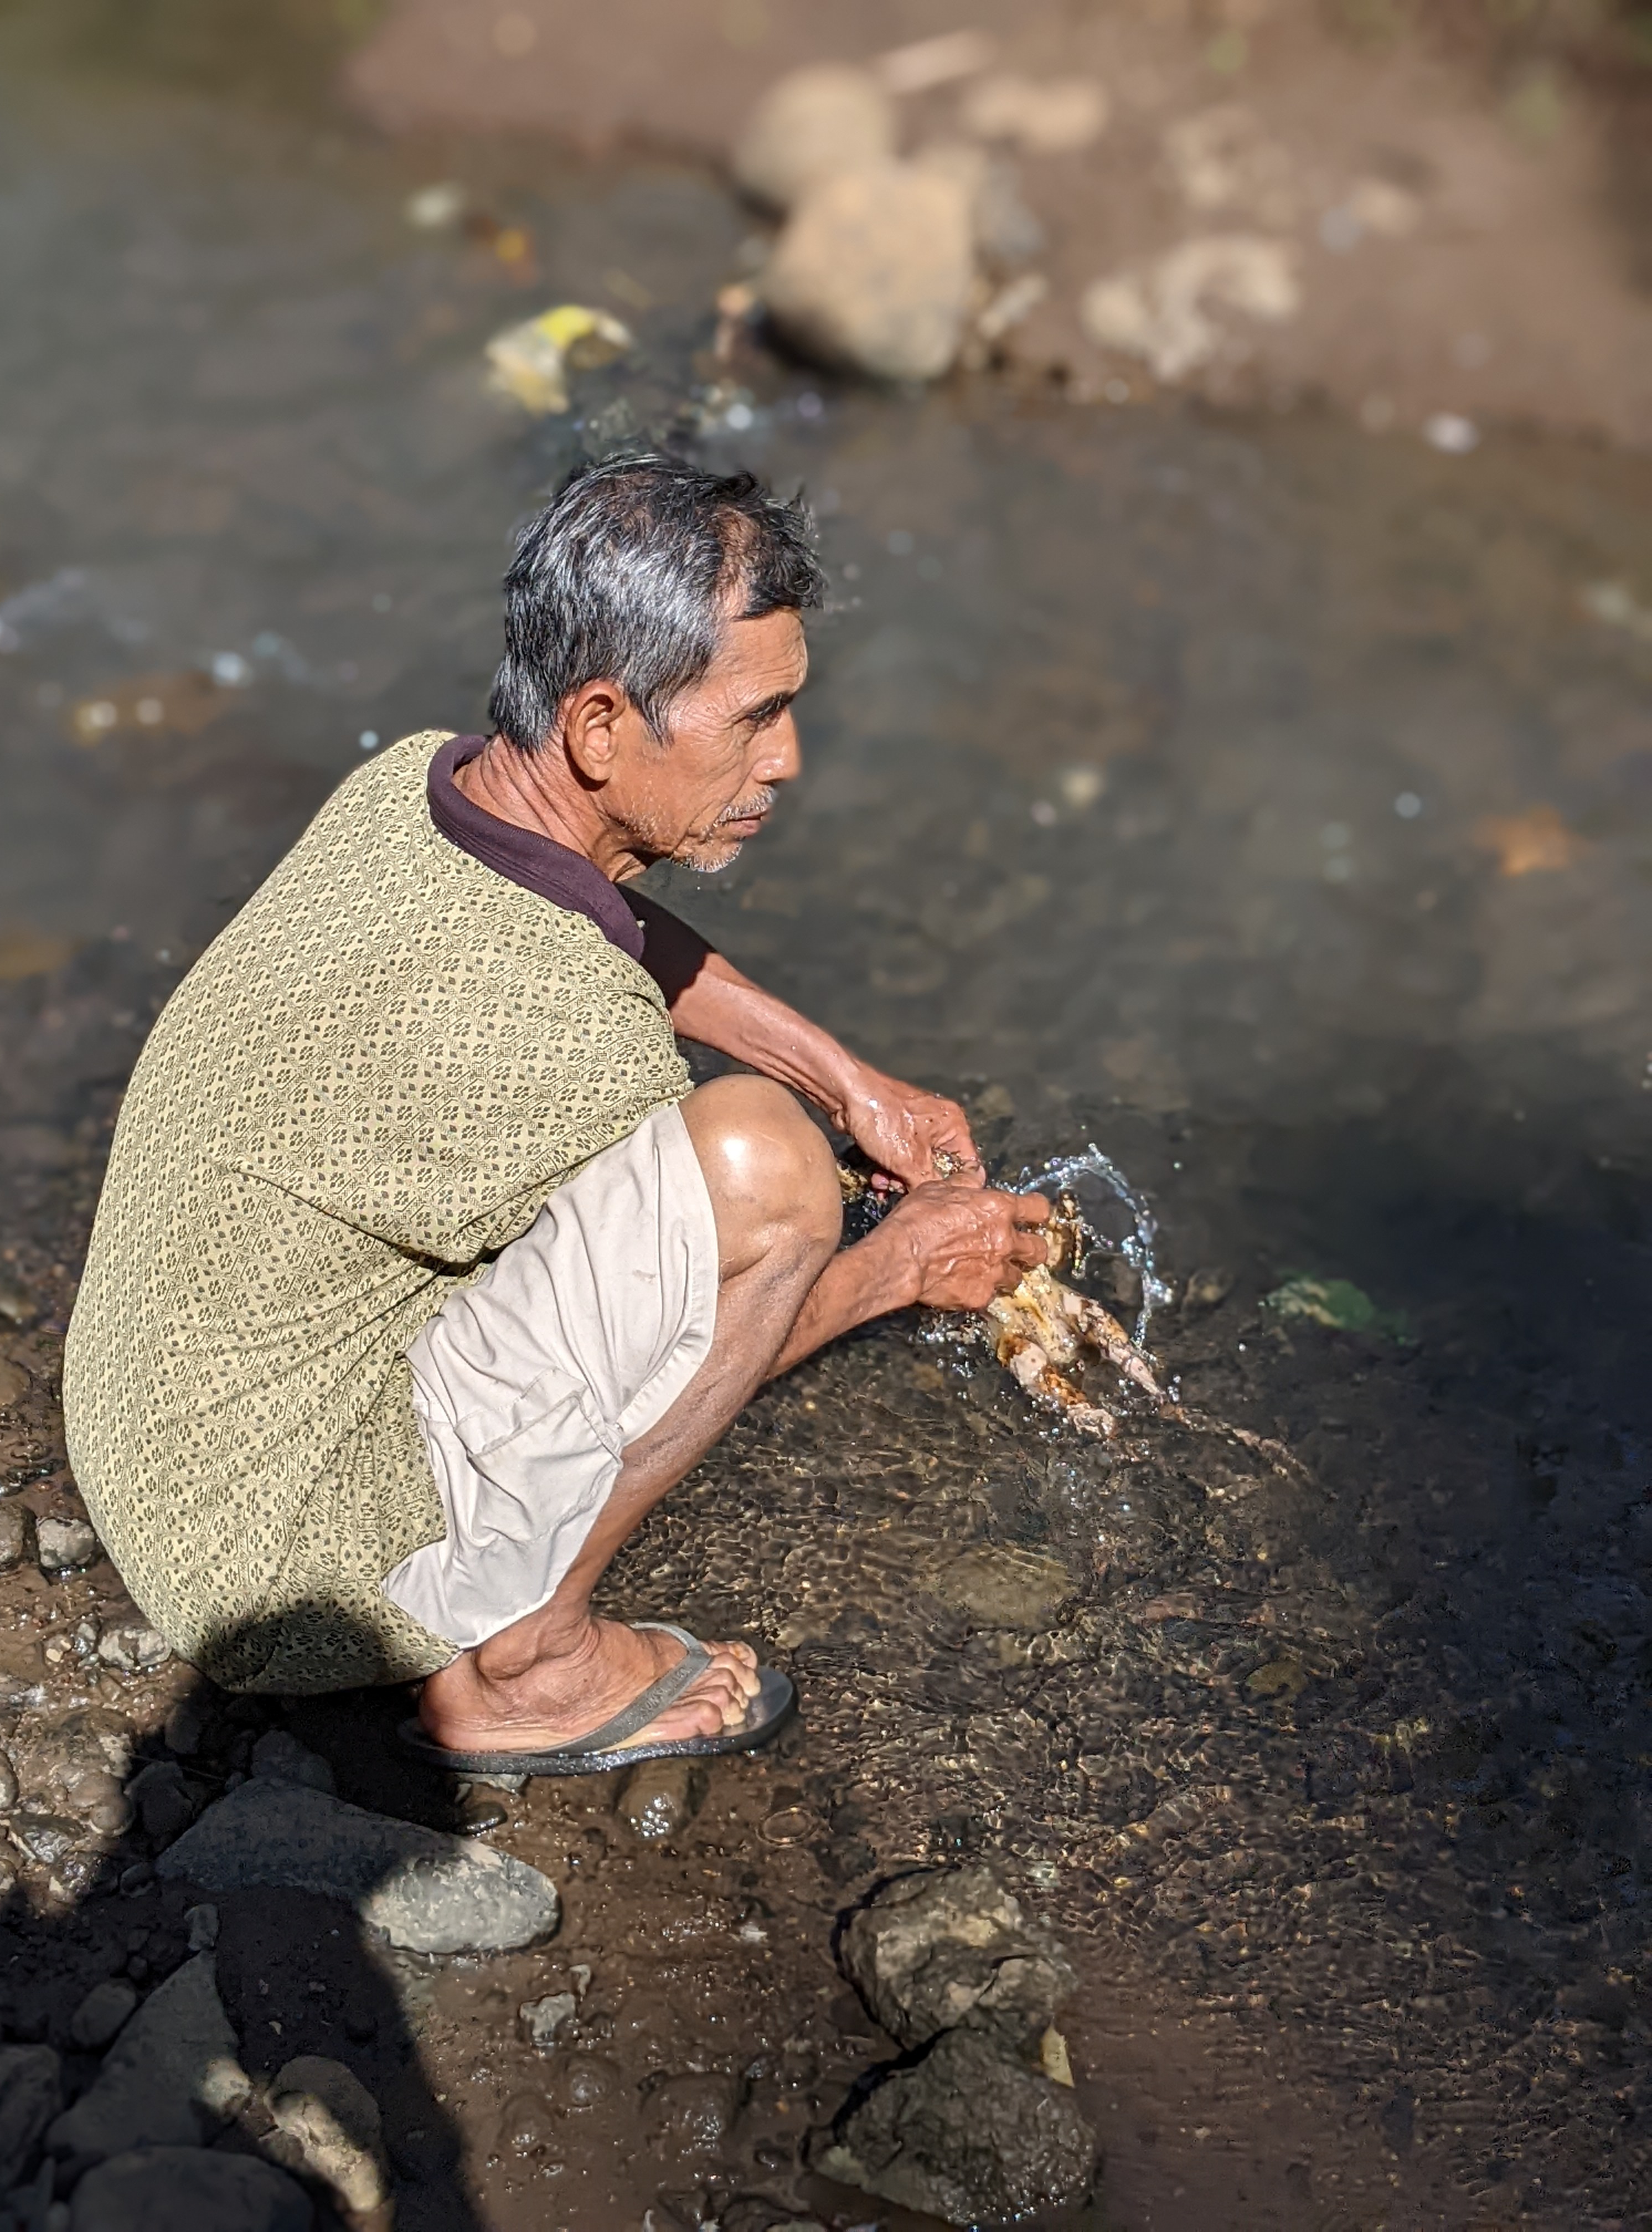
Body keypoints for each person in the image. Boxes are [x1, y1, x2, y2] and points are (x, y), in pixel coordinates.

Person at [64, 453, 1050, 1775]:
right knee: (766, 1177)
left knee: (774, 1134)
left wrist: (849, 1081)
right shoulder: (568, 1039)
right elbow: (685, 1345)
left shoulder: (422, 786)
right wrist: (898, 1268)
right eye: (756, 718)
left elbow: (611, 920)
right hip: (279, 1570)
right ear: (598, 730)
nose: (790, 758)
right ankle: (528, 1665)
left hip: (151, 1430)